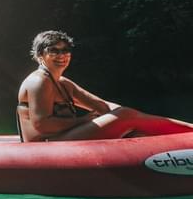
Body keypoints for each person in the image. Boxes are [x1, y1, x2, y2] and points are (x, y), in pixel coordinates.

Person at [17, 30, 193, 142]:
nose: (61, 55)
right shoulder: (38, 82)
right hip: (46, 145)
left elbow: (103, 106)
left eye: (65, 51)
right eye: (54, 51)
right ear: (40, 55)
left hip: (62, 137)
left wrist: (126, 116)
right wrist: (85, 120)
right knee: (125, 116)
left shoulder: (63, 84)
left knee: (129, 122)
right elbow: (43, 126)